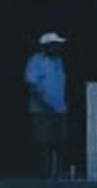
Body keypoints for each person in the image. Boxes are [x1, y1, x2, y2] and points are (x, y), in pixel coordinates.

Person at [25, 32, 68, 179]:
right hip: (42, 110)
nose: (58, 48)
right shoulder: (36, 62)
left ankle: (58, 172)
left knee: (59, 140)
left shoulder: (58, 61)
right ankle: (44, 174)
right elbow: (32, 87)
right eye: (55, 45)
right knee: (44, 142)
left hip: (60, 108)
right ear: (46, 47)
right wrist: (44, 105)